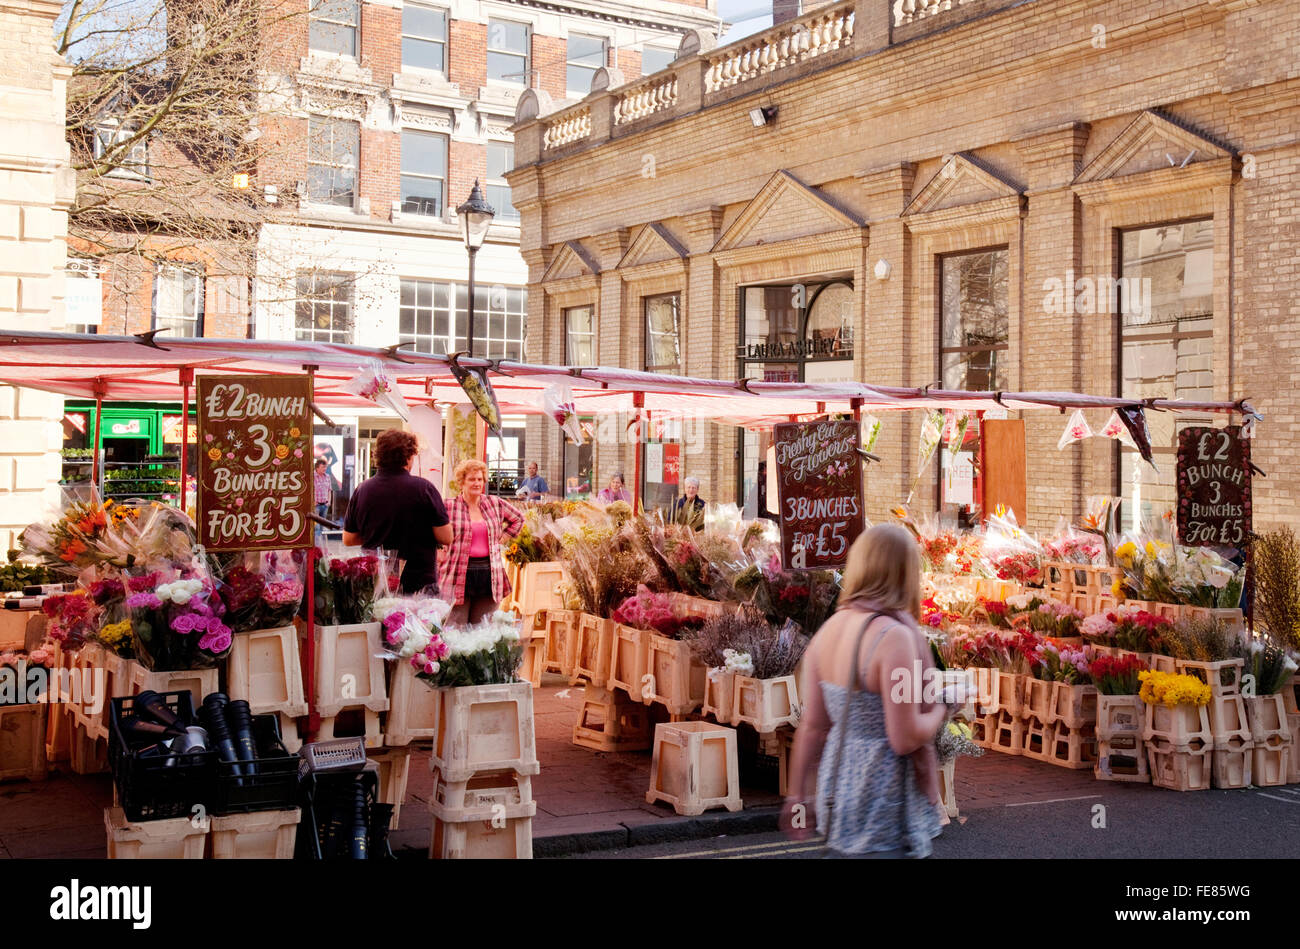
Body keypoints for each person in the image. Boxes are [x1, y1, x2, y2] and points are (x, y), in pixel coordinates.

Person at [781, 523, 947, 858]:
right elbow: (904, 737)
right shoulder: (893, 639)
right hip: (881, 795)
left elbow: (813, 727)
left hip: (838, 785)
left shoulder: (828, 631)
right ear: (904, 573)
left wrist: (797, 795)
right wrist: (942, 709)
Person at [342, 429, 452, 594]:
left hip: (377, 580)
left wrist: (378, 533)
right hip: (419, 581)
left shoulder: (363, 490)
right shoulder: (424, 488)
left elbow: (349, 539)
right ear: (408, 457)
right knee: (421, 620)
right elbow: (446, 537)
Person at [440, 458, 525, 626]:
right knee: (456, 628)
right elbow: (431, 528)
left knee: (483, 630)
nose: (477, 483)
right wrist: (438, 549)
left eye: (480, 479)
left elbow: (519, 519)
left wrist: (504, 537)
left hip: (489, 573)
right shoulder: (449, 506)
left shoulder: (494, 503)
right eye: (472, 479)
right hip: (458, 572)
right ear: (461, 482)